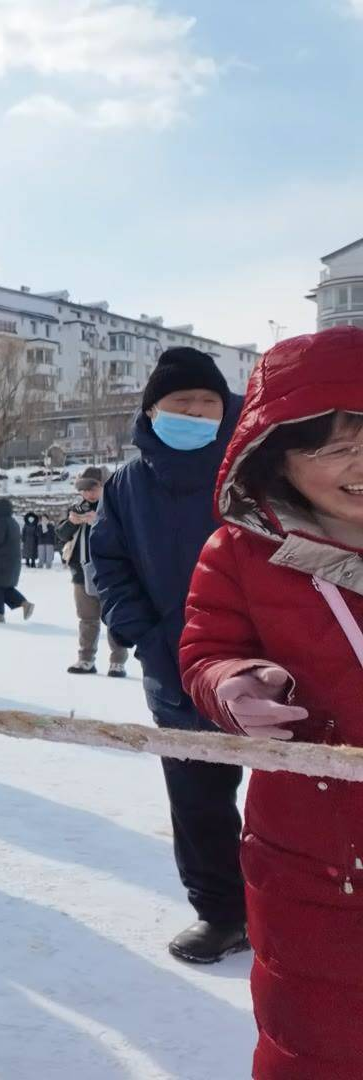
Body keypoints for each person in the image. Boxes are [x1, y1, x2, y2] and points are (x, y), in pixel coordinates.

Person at [179, 326, 363, 1080]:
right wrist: (233, 684)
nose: (361, 464)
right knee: (316, 1036)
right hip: (314, 852)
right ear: (276, 455)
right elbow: (204, 651)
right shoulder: (240, 554)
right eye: (334, 447)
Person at [90, 346, 251, 966]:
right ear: (152, 410)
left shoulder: (254, 466)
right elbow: (107, 566)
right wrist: (150, 639)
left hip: (271, 659)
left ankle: (306, 907)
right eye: (181, 402)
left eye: (207, 402)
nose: (195, 412)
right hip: (174, 665)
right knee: (197, 799)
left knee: (298, 792)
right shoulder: (125, 486)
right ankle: (222, 913)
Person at [60, 467, 130, 674]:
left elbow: (126, 536)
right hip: (81, 571)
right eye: (83, 489)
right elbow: (61, 535)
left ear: (104, 486)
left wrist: (98, 522)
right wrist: (71, 523)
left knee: (114, 618)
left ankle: (118, 661)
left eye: (92, 488)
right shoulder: (77, 508)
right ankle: (86, 659)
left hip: (111, 573)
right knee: (87, 618)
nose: (88, 493)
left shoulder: (115, 507)